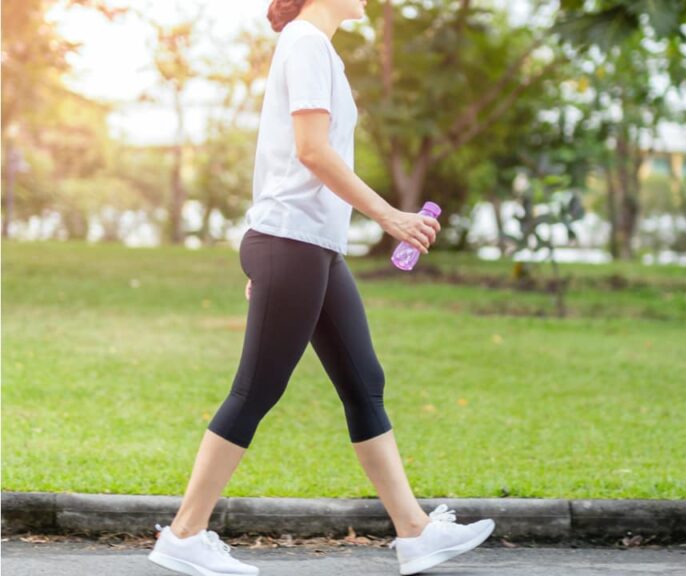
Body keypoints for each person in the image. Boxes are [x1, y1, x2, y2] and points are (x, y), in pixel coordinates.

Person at [146, 1, 495, 575]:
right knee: (255, 390)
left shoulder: (317, 47)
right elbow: (311, 151)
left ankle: (415, 532)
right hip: (293, 244)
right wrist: (390, 216)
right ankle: (184, 534)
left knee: (364, 382)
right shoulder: (305, 42)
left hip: (310, 249)